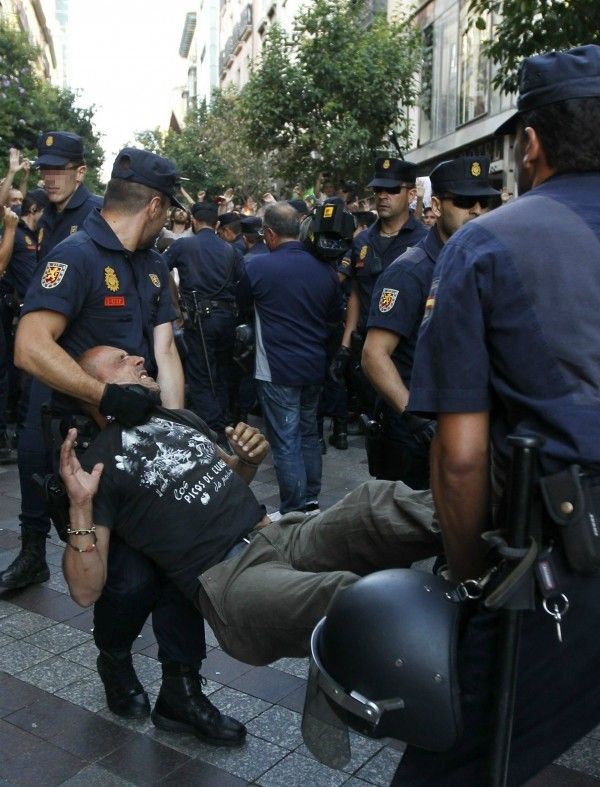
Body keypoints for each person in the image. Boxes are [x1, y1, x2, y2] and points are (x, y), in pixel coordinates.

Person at [391, 45, 600, 784]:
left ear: (530, 144)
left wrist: (473, 580)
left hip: (567, 561)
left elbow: (460, 457)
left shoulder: (485, 243)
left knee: (453, 768)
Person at [12, 149, 243, 746]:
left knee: (181, 565)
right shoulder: (76, 256)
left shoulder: (153, 262)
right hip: (90, 449)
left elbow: (165, 353)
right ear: (156, 204)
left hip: (149, 441)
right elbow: (31, 346)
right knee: (130, 581)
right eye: (171, 212)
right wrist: (106, 395)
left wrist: (177, 429)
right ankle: (115, 659)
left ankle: (182, 690)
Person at [60, 345, 441, 668]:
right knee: (347, 597)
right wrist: (80, 505)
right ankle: (462, 650)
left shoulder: (177, 417)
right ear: (98, 387)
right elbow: (84, 591)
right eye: (123, 359)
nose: (140, 358)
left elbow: (227, 478)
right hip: (232, 578)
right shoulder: (98, 464)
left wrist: (247, 459)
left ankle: (483, 534)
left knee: (376, 501)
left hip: (278, 535)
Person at [0, 132, 103, 591]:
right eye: (45, 169)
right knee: (32, 453)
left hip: (84, 358)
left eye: (60, 169)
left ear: (81, 171)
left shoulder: (98, 213)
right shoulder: (48, 214)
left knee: (94, 458)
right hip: (46, 356)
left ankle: (102, 555)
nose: (50, 177)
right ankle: (33, 552)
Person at [362, 157, 499, 489]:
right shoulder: (411, 270)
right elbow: (374, 355)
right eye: (465, 202)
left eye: (485, 202)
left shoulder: (484, 262)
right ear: (436, 205)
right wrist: (416, 420)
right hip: (416, 438)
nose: (477, 210)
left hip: (467, 429)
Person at [237, 202, 343, 514]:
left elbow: (241, 306)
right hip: (313, 366)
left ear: (268, 233)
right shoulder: (325, 270)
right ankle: (310, 501)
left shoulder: (256, 266)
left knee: (285, 441)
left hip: (277, 368)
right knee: (309, 433)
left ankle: (295, 510)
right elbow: (334, 317)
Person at [332, 158, 427, 415]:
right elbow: (355, 295)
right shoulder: (362, 240)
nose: (383, 196)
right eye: (378, 191)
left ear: (411, 193)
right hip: (366, 352)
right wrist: (345, 346)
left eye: (392, 190)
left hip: (408, 354)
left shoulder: (425, 240)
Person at [164, 201, 243, 437]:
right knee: (222, 369)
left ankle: (213, 427)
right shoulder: (232, 250)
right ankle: (223, 418)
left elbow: (159, 267)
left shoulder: (183, 246)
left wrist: (175, 302)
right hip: (227, 317)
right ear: (217, 224)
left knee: (201, 372)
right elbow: (240, 281)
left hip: (199, 317)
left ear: (195, 222)